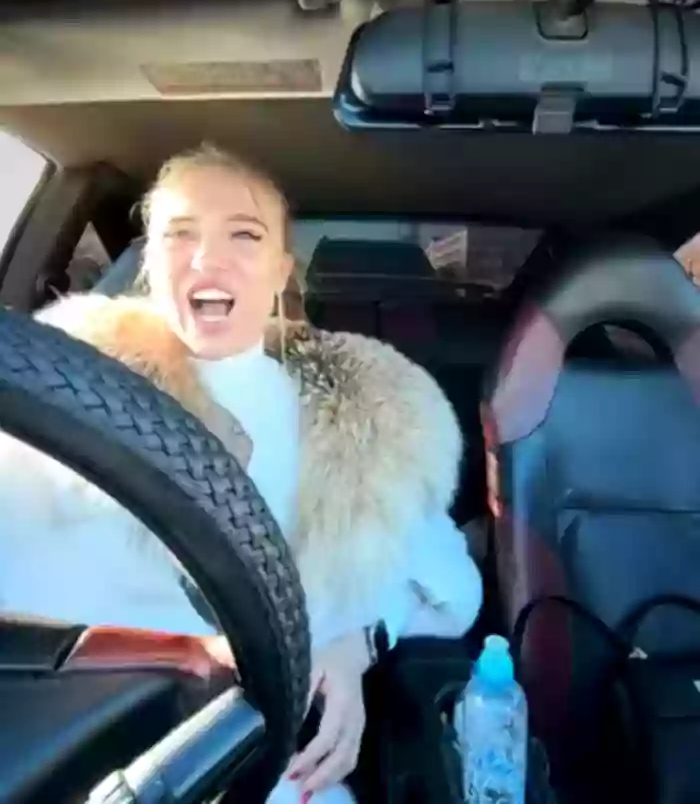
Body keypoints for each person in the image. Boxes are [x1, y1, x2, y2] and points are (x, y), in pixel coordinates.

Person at [0, 144, 482, 804]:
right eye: (181, 234)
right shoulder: (61, 392)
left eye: (245, 235)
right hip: (65, 754)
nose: (208, 259)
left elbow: (453, 589)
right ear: (150, 262)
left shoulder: (361, 426)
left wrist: (357, 638)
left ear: (281, 269)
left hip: (267, 768)